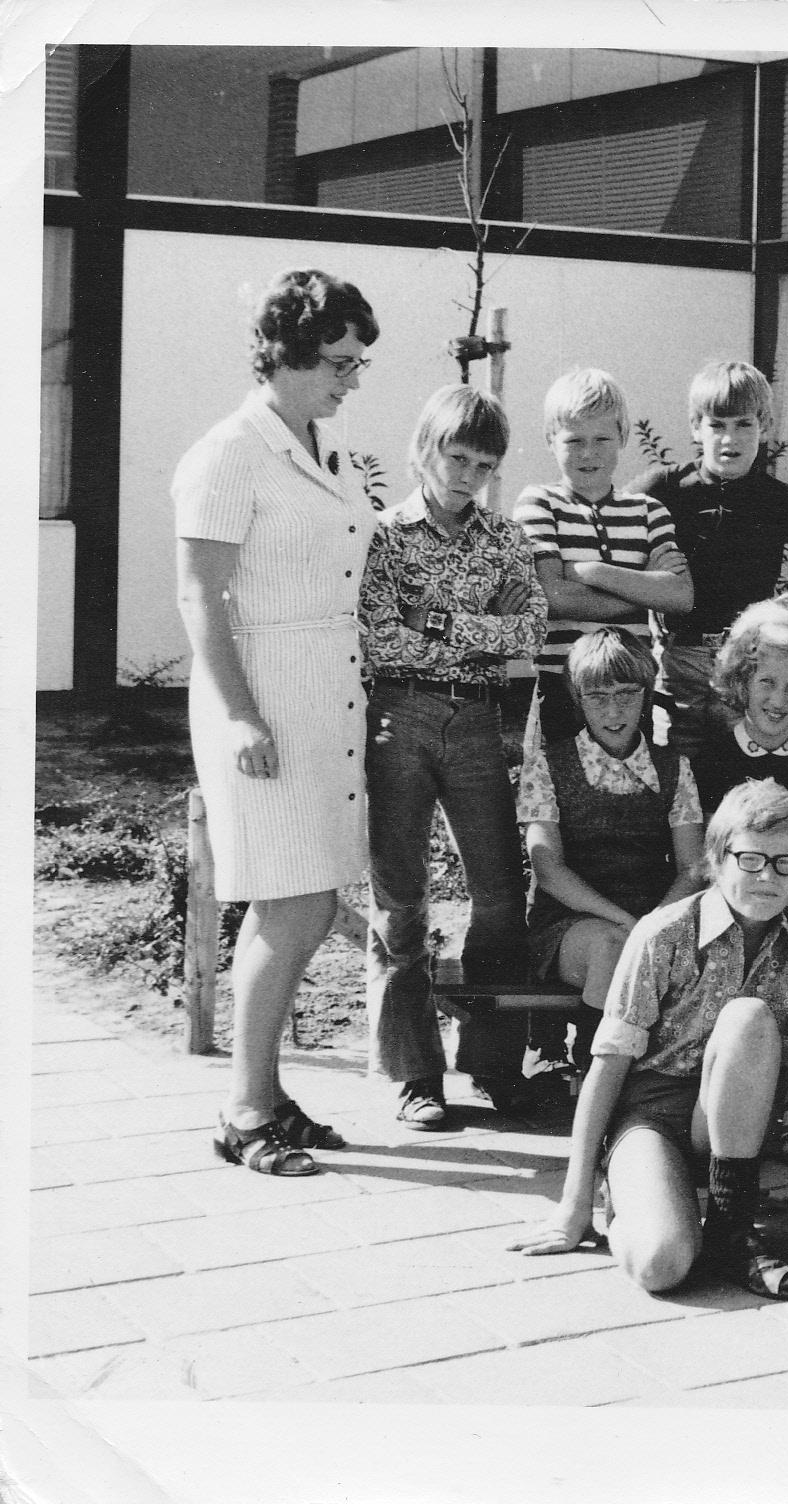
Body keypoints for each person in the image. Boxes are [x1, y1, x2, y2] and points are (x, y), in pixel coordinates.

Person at [175, 268, 380, 1176]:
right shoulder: (227, 452)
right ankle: (244, 1111)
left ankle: (267, 1090)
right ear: (287, 356)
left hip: (326, 692)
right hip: (262, 699)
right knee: (288, 899)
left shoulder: (320, 446)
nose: (350, 379)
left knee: (312, 896)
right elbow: (199, 593)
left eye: (356, 362)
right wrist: (240, 714)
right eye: (338, 361)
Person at [507, 781, 788, 1300]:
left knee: (747, 1017)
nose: (768, 877)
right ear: (716, 858)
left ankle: (731, 1227)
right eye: (750, 859)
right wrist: (574, 1203)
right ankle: (645, 1194)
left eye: (785, 863)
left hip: (737, 1121)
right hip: (653, 1112)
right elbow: (608, 1068)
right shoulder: (664, 933)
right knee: (660, 1266)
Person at [358, 384, 547, 1129]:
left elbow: (527, 630)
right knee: (401, 903)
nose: (467, 474)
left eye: (484, 463)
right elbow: (379, 636)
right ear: (424, 450)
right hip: (398, 716)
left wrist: (430, 619)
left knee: (499, 896)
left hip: (475, 718)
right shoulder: (385, 536)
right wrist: (475, 625)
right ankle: (415, 1075)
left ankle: (493, 1062)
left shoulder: (503, 539)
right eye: (456, 456)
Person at [517, 629, 708, 1077]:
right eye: (598, 696)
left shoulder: (673, 767)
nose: (614, 710)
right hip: (569, 925)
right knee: (610, 946)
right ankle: (593, 1070)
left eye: (626, 694)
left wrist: (655, 922)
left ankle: (655, 1070)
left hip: (652, 914)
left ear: (646, 694)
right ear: (577, 698)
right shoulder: (546, 765)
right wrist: (629, 925)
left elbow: (691, 866)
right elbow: (548, 868)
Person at [628, 360, 788, 731]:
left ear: (764, 425)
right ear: (695, 427)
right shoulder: (665, 487)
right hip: (678, 657)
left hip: (747, 659)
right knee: (678, 763)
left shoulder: (779, 499)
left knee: (737, 762)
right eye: (716, 425)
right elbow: (611, 527)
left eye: (743, 424)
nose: (728, 439)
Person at [513, 368, 690, 740]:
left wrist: (591, 571)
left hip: (631, 681)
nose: (589, 453)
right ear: (550, 440)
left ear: (622, 436)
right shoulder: (539, 502)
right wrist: (642, 592)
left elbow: (679, 596)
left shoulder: (648, 511)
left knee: (629, 788)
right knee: (560, 789)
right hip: (562, 681)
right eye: (574, 440)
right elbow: (552, 597)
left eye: (602, 439)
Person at [685, 598, 788, 940]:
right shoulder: (710, 762)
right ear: (742, 682)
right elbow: (706, 868)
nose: (779, 701)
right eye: (766, 682)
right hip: (732, 908)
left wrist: (770, 912)